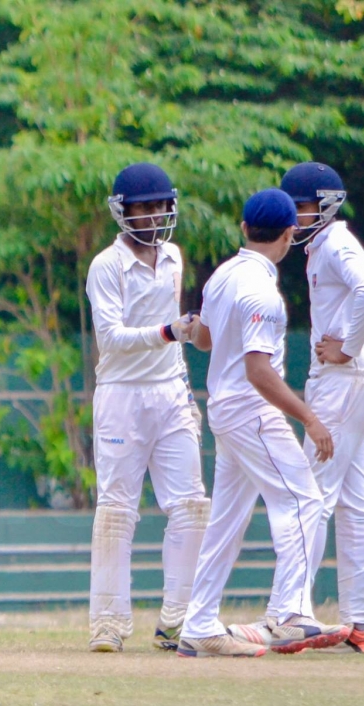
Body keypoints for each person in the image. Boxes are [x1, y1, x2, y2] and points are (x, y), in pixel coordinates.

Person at [178, 188, 348, 657]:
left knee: (226, 523)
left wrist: (192, 326)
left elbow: (205, 340)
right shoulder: (261, 292)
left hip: (226, 409)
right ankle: (289, 615)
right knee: (303, 500)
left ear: (244, 229)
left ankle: (198, 625)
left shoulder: (223, 274)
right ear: (290, 234)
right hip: (250, 410)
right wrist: (309, 418)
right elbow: (258, 371)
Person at [85, 162, 208, 653]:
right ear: (123, 212)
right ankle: (107, 624)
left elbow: (176, 336)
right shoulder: (106, 266)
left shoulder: (173, 256)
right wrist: (167, 333)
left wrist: (185, 382)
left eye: (161, 206)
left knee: (193, 506)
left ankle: (177, 619)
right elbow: (111, 338)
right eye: (145, 207)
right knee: (117, 509)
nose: (155, 215)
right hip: (121, 395)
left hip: (170, 393)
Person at [282, 162, 364, 654]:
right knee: (354, 502)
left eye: (300, 208)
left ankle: (293, 615)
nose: (294, 218)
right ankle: (362, 622)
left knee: (311, 497)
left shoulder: (336, 243)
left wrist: (346, 346)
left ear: (323, 206)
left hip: (342, 383)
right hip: (359, 384)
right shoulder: (322, 245)